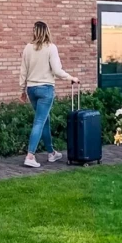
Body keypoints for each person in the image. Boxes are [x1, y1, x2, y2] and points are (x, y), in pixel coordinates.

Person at [19, 21, 76, 168]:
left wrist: (22, 90)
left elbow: (23, 71)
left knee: (44, 120)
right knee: (39, 122)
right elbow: (57, 70)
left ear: (34, 32)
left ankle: (51, 153)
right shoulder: (51, 48)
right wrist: (71, 77)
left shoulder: (27, 48)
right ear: (47, 31)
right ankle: (30, 156)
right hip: (45, 90)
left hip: (31, 89)